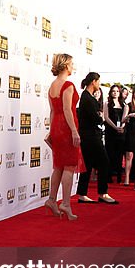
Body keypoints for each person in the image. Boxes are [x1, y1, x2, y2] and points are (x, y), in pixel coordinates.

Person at [45, 53, 84, 219]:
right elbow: (67, 110)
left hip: (57, 127)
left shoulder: (52, 85)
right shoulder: (67, 85)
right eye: (72, 63)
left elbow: (53, 111)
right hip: (67, 128)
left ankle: (52, 200)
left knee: (59, 166)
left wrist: (51, 131)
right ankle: (66, 204)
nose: (73, 66)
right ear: (66, 65)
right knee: (69, 166)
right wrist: (74, 131)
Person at [76, 73, 117, 204]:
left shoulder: (87, 97)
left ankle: (82, 194)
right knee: (104, 163)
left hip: (89, 136)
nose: (99, 85)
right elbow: (95, 118)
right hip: (91, 137)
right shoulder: (87, 98)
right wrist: (100, 117)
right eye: (98, 82)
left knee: (87, 165)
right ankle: (103, 193)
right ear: (93, 81)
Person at [103, 84, 126, 184]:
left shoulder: (124, 104)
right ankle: (108, 176)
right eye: (113, 91)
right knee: (109, 153)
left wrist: (122, 127)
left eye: (117, 91)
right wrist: (115, 127)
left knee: (119, 155)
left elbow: (125, 118)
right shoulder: (107, 103)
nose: (115, 93)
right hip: (110, 131)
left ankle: (119, 176)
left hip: (120, 133)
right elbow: (106, 117)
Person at [122, 85, 135, 185]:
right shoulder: (128, 105)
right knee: (129, 156)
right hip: (131, 132)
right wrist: (129, 115)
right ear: (133, 94)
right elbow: (123, 119)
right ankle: (127, 178)